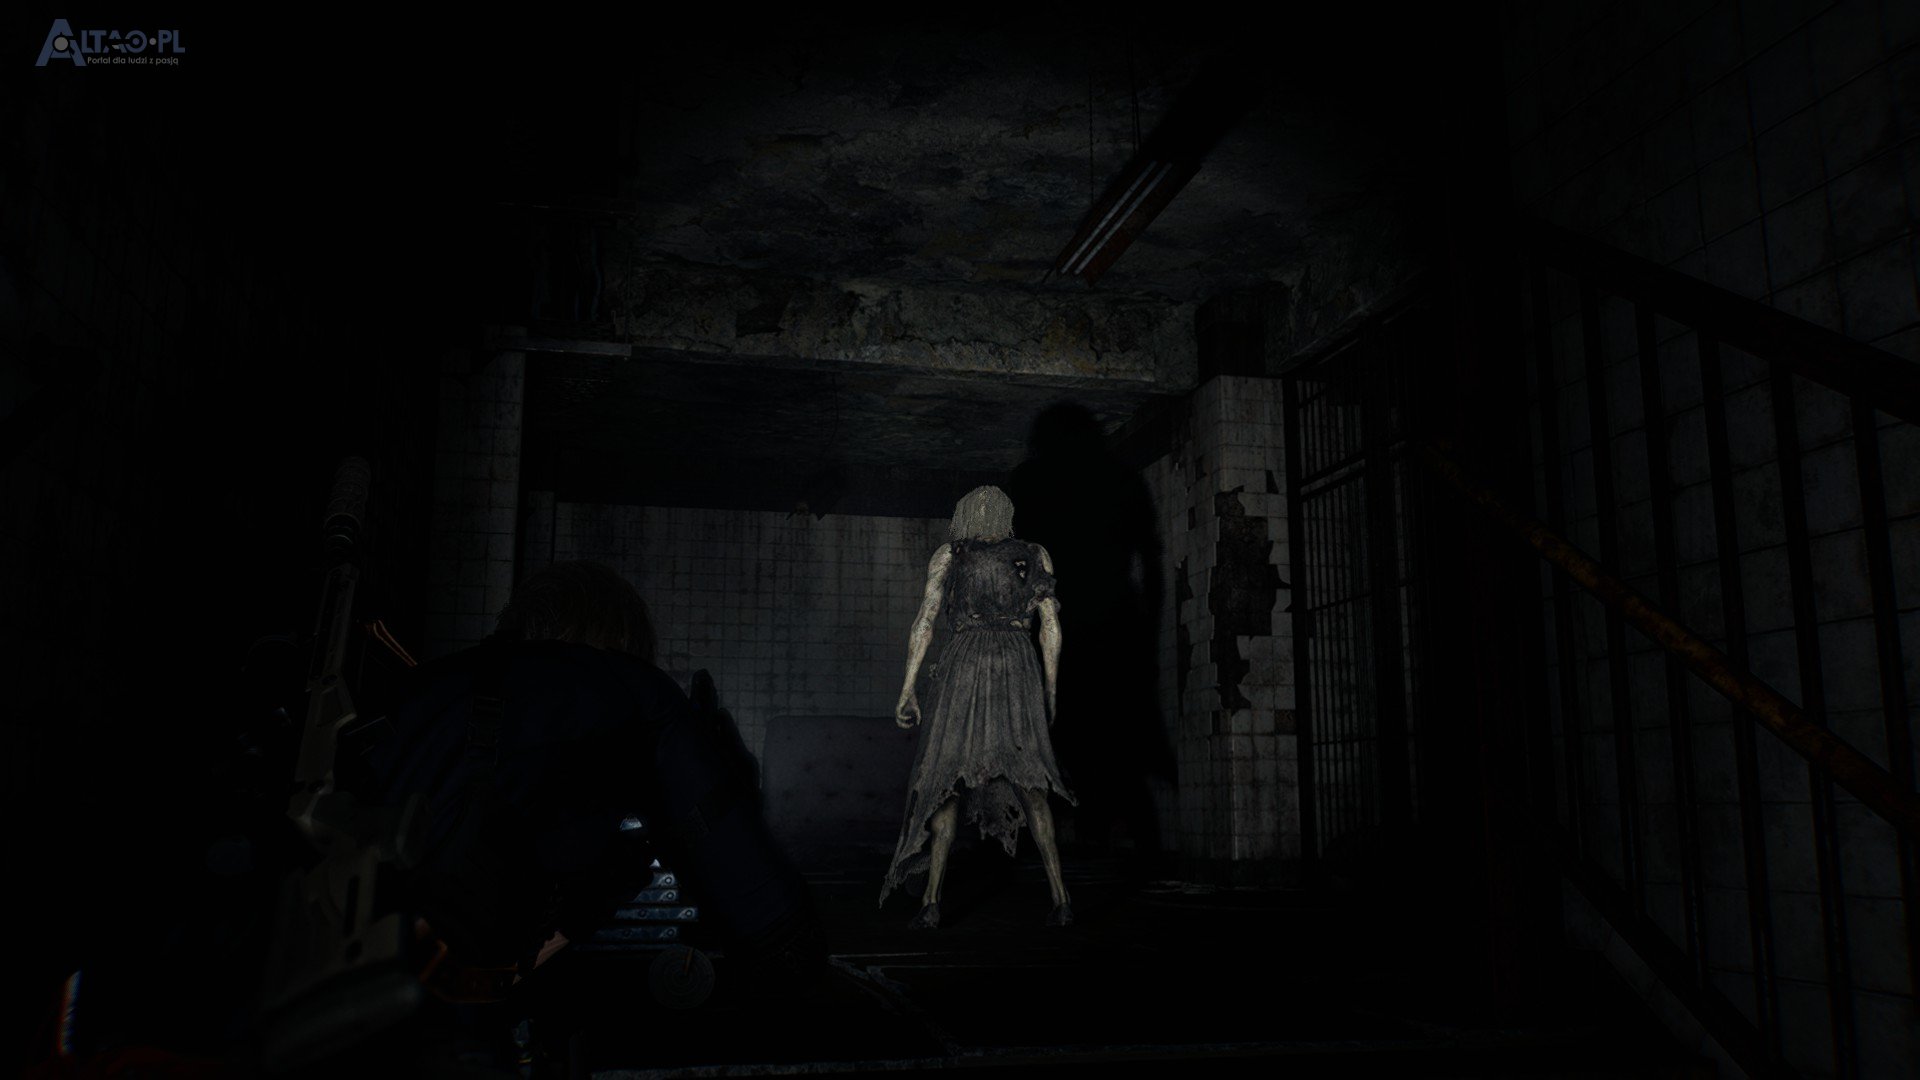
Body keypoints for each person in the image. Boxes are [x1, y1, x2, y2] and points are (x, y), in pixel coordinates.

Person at [360, 561, 821, 1065]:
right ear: (616, 638)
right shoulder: (626, 690)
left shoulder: (428, 689)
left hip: (352, 1006)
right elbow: (781, 940)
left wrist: (580, 911)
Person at [881, 486, 1075, 929]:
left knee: (945, 780)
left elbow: (926, 619)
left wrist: (907, 687)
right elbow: (1050, 626)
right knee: (1031, 784)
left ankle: (931, 902)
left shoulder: (951, 554)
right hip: (1016, 665)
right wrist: (1049, 691)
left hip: (964, 664)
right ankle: (1061, 899)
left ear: (963, 515)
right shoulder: (1034, 553)